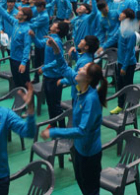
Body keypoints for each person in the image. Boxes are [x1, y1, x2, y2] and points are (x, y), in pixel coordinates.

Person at [41, 62, 107, 195]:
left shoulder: (91, 100)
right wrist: (56, 50)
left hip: (89, 153)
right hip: (79, 148)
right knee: (81, 181)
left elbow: (82, 131)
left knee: (90, 189)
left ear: (88, 78)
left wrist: (54, 131)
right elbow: (65, 69)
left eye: (83, 69)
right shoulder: (81, 88)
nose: (79, 69)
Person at [29, 21, 69, 123]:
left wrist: (44, 68)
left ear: (58, 29)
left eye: (56, 24)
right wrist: (33, 36)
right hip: (47, 76)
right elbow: (39, 44)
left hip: (55, 77)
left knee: (55, 104)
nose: (53, 24)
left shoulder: (57, 42)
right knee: (50, 103)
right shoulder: (49, 39)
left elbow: (58, 61)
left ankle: (62, 127)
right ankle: (52, 124)